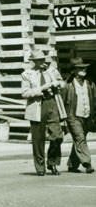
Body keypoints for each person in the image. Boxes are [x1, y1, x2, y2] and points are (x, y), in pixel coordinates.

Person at [21, 47, 66, 176]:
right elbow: (24, 93)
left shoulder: (52, 71)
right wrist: (41, 88)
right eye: (38, 60)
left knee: (57, 136)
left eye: (42, 59)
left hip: (52, 103)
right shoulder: (27, 74)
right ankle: (40, 167)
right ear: (34, 61)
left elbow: (63, 83)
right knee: (38, 139)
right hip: (37, 106)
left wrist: (57, 83)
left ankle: (52, 162)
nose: (41, 62)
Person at [62, 57, 96, 174]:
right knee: (80, 138)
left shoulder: (90, 84)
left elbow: (94, 100)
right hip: (73, 116)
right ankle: (87, 163)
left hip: (86, 116)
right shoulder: (67, 85)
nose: (84, 70)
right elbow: (62, 102)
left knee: (79, 140)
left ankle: (72, 164)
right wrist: (63, 119)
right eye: (81, 68)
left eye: (85, 68)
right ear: (74, 71)